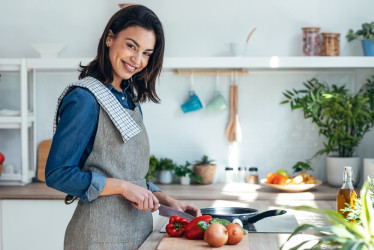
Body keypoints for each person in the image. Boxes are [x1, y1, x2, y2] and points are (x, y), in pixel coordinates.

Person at [45, 5, 201, 249]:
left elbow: (128, 173)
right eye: (131, 46)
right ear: (110, 38)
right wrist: (122, 187)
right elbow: (58, 173)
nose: (137, 60)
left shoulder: (130, 99)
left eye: (147, 53)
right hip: (97, 239)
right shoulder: (84, 98)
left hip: (138, 235)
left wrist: (165, 199)